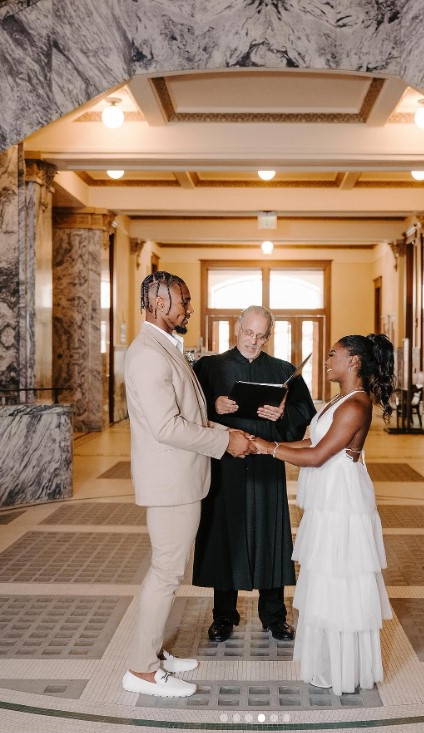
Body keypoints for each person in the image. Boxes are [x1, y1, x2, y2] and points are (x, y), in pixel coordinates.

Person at [122, 271, 252, 698]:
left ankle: (153, 655)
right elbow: (166, 427)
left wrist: (226, 433)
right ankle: (141, 671)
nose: (189, 309)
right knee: (165, 573)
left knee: (166, 571)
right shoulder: (147, 354)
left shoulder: (164, 347)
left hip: (182, 478)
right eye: (184, 302)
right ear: (160, 306)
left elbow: (190, 416)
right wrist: (223, 440)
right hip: (170, 483)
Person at [251, 334, 394, 695]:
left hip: (342, 503)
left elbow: (317, 457)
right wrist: (264, 446)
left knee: (340, 580)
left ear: (355, 361)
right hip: (329, 499)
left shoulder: (356, 405)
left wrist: (269, 449)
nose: (328, 359)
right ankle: (331, 660)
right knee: (326, 578)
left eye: (334, 354)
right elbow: (313, 442)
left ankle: (345, 668)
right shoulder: (340, 400)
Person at [192, 306, 316, 642]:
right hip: (224, 465)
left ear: (268, 337)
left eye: (261, 336)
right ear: (237, 329)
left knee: (270, 536)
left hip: (266, 465)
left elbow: (305, 412)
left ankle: (274, 616)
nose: (253, 341)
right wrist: (213, 406)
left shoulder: (283, 370)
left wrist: (282, 412)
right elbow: (185, 409)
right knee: (224, 536)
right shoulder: (209, 367)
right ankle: (224, 615)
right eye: (249, 333)